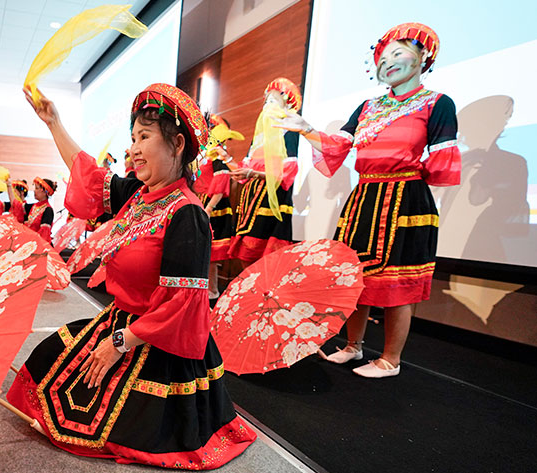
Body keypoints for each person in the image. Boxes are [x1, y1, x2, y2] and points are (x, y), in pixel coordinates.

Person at [7, 83, 256, 469]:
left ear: (176, 144)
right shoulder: (140, 195)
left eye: (144, 137)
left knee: (125, 428)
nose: (134, 148)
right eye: (133, 138)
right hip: (121, 321)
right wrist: (54, 123)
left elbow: (182, 307)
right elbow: (89, 176)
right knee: (46, 360)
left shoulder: (186, 215)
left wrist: (118, 343)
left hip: (159, 340)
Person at [274, 23, 461, 378]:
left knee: (397, 283)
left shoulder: (438, 103)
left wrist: (405, 164)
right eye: (383, 56)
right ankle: (352, 346)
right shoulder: (367, 107)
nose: (388, 61)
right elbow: (337, 146)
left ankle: (390, 360)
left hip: (405, 199)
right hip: (364, 198)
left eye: (398, 52)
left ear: (424, 56)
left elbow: (441, 165)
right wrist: (303, 128)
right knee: (353, 277)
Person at [227, 78, 301, 268]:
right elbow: (243, 170)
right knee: (246, 257)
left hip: (272, 198)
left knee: (267, 260)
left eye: (273, 101)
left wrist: (252, 174)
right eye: (266, 101)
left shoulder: (288, 131)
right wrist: (226, 159)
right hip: (251, 201)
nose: (268, 106)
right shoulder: (259, 138)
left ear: (287, 104)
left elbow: (286, 174)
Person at [197, 113, 240, 299]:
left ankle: (212, 293)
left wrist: (208, 208)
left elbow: (222, 183)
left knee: (211, 255)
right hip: (201, 201)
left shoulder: (218, 153)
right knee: (203, 253)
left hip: (213, 205)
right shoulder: (205, 153)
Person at [23, 177, 56, 243]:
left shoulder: (48, 210)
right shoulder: (33, 206)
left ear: (45, 192)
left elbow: (43, 236)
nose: (34, 191)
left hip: (37, 245)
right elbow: (15, 205)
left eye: (37, 188)